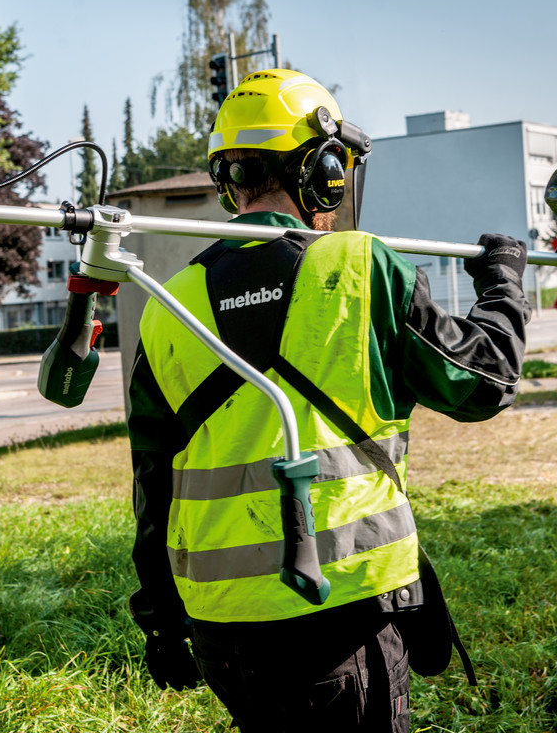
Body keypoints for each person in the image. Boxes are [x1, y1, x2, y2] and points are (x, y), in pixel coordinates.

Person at [127, 68, 531, 732]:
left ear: (229, 180)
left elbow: (153, 485)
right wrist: (503, 286)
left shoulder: (169, 307)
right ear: (324, 173)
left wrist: (162, 623)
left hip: (222, 633)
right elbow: (485, 382)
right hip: (340, 617)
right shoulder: (363, 268)